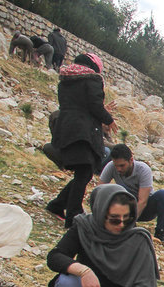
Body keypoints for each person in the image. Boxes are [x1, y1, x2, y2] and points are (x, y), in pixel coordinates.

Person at [45, 53, 116, 228]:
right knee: (85, 172)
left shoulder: (66, 79)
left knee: (83, 173)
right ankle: (72, 217)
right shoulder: (92, 79)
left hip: (67, 128)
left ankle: (58, 205)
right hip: (83, 132)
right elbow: (94, 105)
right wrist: (108, 118)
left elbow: (79, 104)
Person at [99, 144, 164, 242]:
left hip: (144, 208)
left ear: (131, 160)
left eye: (122, 165)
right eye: (116, 166)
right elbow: (99, 191)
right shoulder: (111, 167)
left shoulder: (143, 169)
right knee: (116, 190)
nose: (118, 169)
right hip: (124, 208)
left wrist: (130, 222)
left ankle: (161, 232)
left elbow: (142, 201)